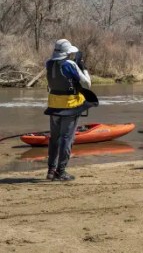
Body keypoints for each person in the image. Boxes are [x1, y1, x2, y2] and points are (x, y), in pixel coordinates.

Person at [44, 39, 94, 181]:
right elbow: (87, 84)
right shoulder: (71, 64)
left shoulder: (48, 63)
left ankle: (51, 170)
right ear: (67, 53)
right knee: (67, 138)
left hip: (53, 106)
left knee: (54, 138)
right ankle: (61, 171)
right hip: (70, 107)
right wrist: (83, 66)